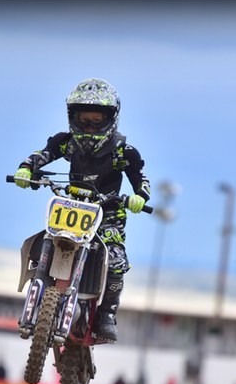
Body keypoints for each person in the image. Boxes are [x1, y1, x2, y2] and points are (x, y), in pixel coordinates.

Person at [11, 78, 151, 343]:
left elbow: (141, 179)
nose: (89, 127)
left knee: (117, 261)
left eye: (96, 121)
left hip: (109, 214)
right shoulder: (66, 142)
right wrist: (26, 169)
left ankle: (107, 314)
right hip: (72, 206)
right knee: (42, 240)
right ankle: (40, 290)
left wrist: (139, 198)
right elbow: (43, 154)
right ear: (72, 117)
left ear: (110, 119)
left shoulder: (124, 152)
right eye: (83, 120)